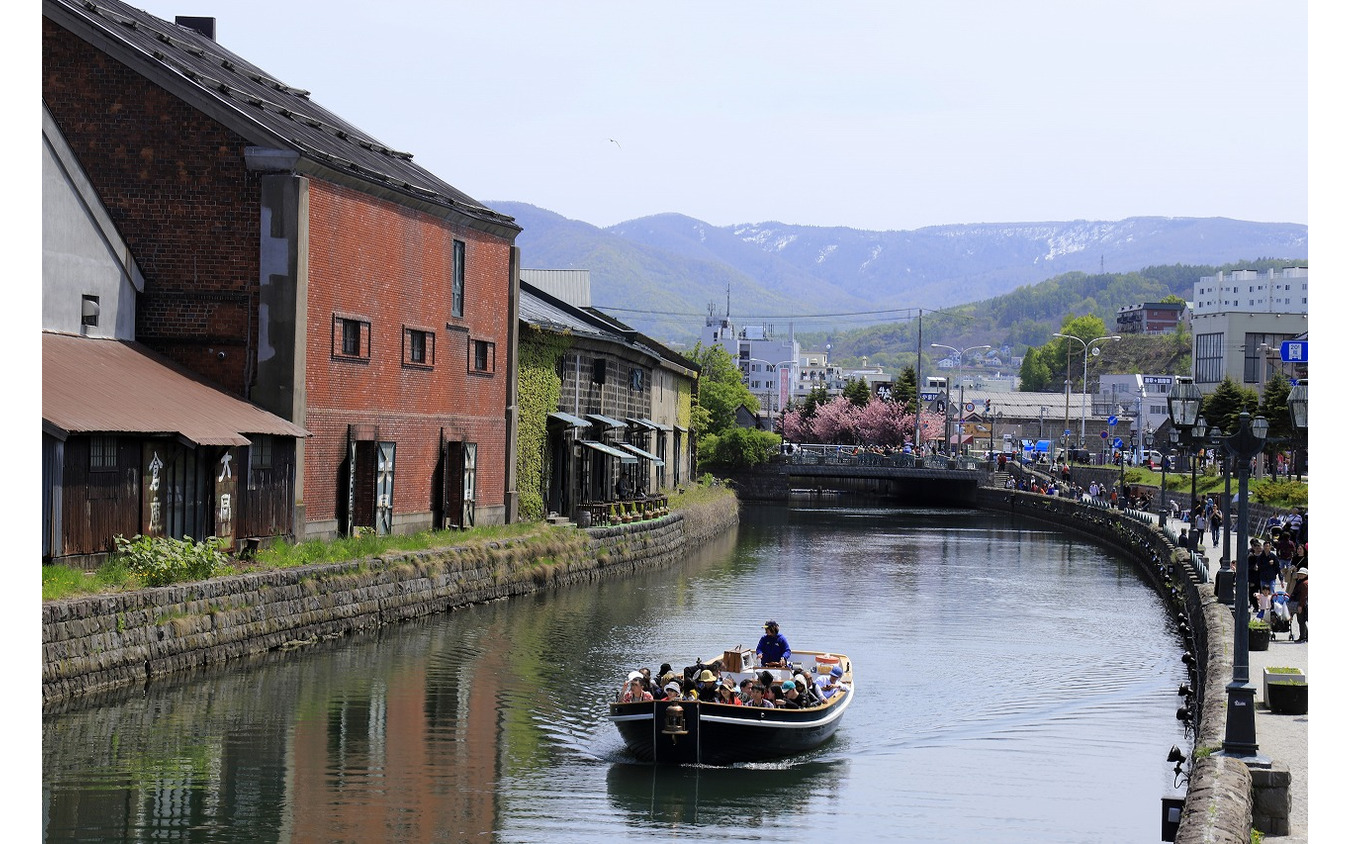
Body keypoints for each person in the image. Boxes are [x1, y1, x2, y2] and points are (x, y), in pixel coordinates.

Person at [1290, 568, 1308, 643]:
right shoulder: (1301, 582)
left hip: (1302, 604)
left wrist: (1300, 606)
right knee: (1302, 621)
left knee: (1301, 621)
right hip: (1302, 603)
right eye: (1299, 574)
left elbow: (1303, 596)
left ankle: (1302, 637)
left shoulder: (1304, 583)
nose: (1300, 575)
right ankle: (1306, 636)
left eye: (1302, 574)